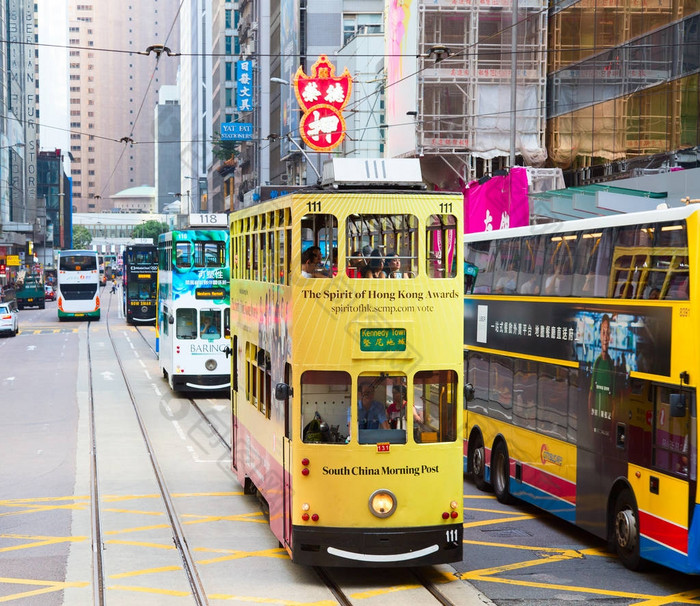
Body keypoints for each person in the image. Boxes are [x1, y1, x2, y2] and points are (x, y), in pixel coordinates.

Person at [588, 314, 615, 437]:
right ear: (599, 335)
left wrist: (612, 425)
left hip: (607, 425)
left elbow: (614, 401)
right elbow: (590, 395)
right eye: (603, 333)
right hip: (596, 422)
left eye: (607, 333)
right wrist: (590, 421)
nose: (605, 337)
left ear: (610, 337)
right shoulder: (597, 362)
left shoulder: (611, 364)